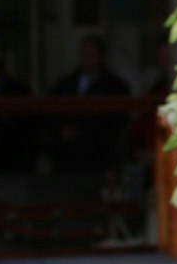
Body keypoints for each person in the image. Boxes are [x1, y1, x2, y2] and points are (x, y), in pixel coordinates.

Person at [48, 35, 132, 173]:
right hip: (67, 159)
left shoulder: (115, 86)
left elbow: (115, 123)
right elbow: (51, 113)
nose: (87, 58)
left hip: (98, 158)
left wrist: (82, 132)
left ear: (101, 56)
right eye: (84, 53)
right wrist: (61, 131)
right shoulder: (65, 84)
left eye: (91, 54)